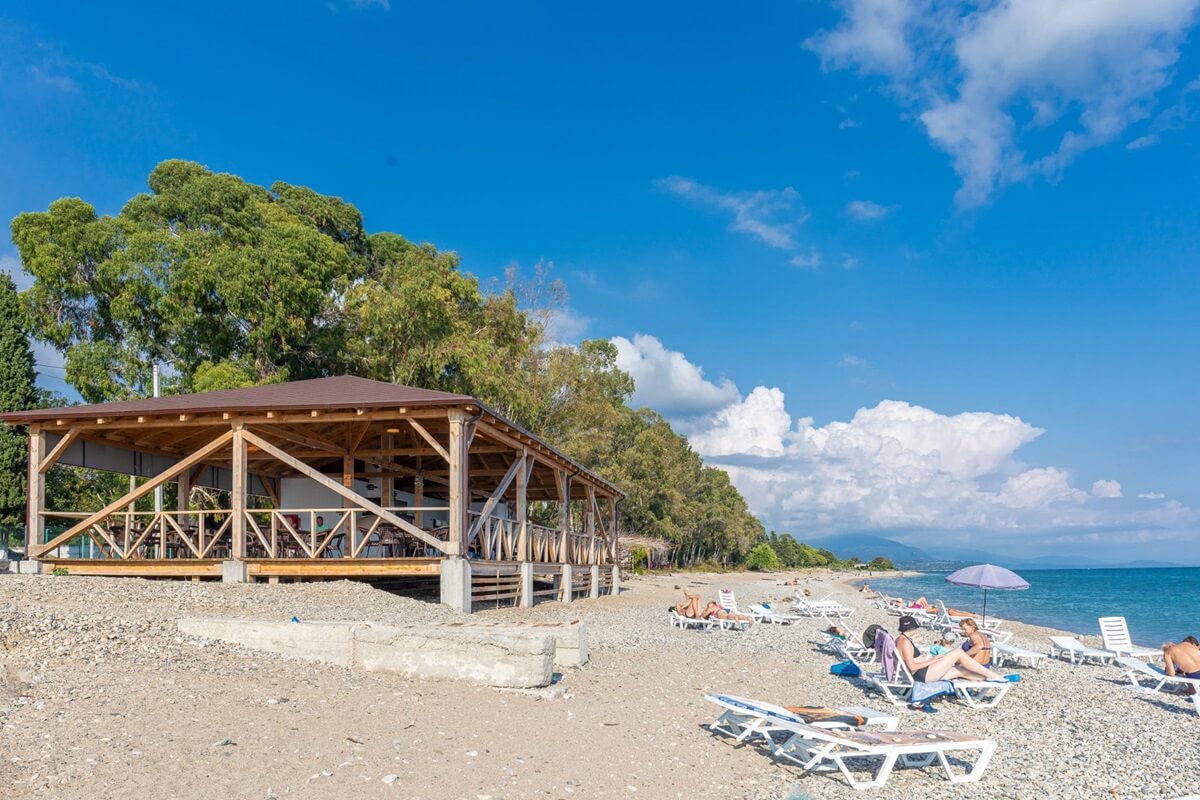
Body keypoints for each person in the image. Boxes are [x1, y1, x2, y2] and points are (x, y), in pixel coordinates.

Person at [895, 615, 1015, 685]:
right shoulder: (905, 642)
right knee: (958, 652)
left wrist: (915, 642)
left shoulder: (901, 639)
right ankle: (993, 675)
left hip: (924, 673)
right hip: (923, 674)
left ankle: (995, 678)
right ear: (912, 628)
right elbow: (913, 667)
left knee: (961, 671)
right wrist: (933, 660)